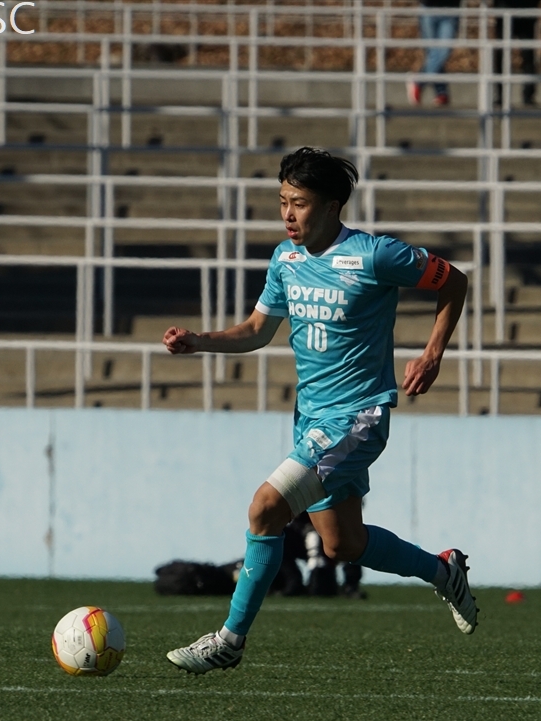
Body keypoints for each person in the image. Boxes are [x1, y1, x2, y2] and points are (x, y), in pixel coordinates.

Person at [161, 147, 477, 674]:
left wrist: (432, 354)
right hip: (310, 420)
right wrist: (200, 341)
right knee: (342, 544)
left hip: (357, 418)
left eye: (300, 203)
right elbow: (256, 331)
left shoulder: (375, 255)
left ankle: (229, 641)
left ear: (332, 206)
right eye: (283, 201)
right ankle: (444, 571)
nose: (288, 214)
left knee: (265, 508)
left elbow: (454, 281)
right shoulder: (285, 260)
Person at [406, 0, 464, 108]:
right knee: (433, 52)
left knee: (443, 51)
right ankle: (441, 92)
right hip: (428, 7)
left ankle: (418, 82)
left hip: (451, 8)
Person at [492, 0, 540, 107]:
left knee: (528, 55)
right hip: (505, 12)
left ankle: (528, 95)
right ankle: (501, 95)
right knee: (502, 54)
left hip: (526, 12)